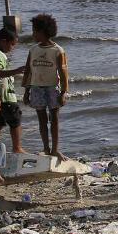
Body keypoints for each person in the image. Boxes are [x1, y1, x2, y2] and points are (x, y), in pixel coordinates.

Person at [22, 13, 69, 158]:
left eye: (35, 31)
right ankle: (46, 148)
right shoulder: (33, 50)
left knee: (54, 119)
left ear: (43, 32)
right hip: (36, 88)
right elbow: (28, 70)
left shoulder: (58, 51)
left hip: (52, 88)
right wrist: (26, 91)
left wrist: (63, 92)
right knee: (41, 120)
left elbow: (63, 73)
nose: (33, 34)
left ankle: (55, 149)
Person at [0, 28, 27, 154]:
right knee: (15, 120)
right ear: (3, 41)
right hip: (5, 96)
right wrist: (17, 71)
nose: (12, 48)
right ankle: (17, 148)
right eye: (12, 44)